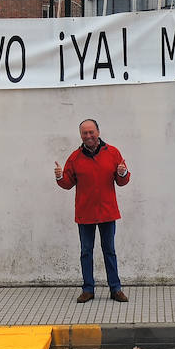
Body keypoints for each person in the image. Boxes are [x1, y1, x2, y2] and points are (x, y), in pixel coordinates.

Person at [55, 119, 130, 303]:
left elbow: (122, 181)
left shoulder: (113, 153)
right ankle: (88, 289)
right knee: (86, 251)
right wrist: (59, 177)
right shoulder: (74, 157)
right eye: (84, 133)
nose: (88, 136)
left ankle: (115, 289)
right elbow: (67, 183)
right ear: (80, 135)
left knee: (109, 250)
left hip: (107, 212)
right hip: (85, 213)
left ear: (98, 132)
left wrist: (122, 173)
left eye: (91, 132)